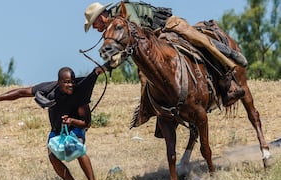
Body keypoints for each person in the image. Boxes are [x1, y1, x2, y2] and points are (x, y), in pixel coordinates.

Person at [84, 1, 247, 108]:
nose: (94, 27)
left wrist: (110, 64)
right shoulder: (113, 27)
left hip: (168, 26)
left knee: (199, 41)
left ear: (102, 16)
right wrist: (108, 64)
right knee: (144, 72)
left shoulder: (123, 10)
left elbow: (136, 37)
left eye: (94, 23)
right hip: (155, 39)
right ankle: (153, 108)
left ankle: (229, 62)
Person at [0, 66, 106, 180]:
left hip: (75, 127)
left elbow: (86, 123)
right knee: (53, 157)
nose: (70, 85)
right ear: (59, 82)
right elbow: (21, 93)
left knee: (77, 149)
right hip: (56, 130)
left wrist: (71, 121)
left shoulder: (79, 95)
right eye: (66, 82)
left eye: (72, 81)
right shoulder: (48, 89)